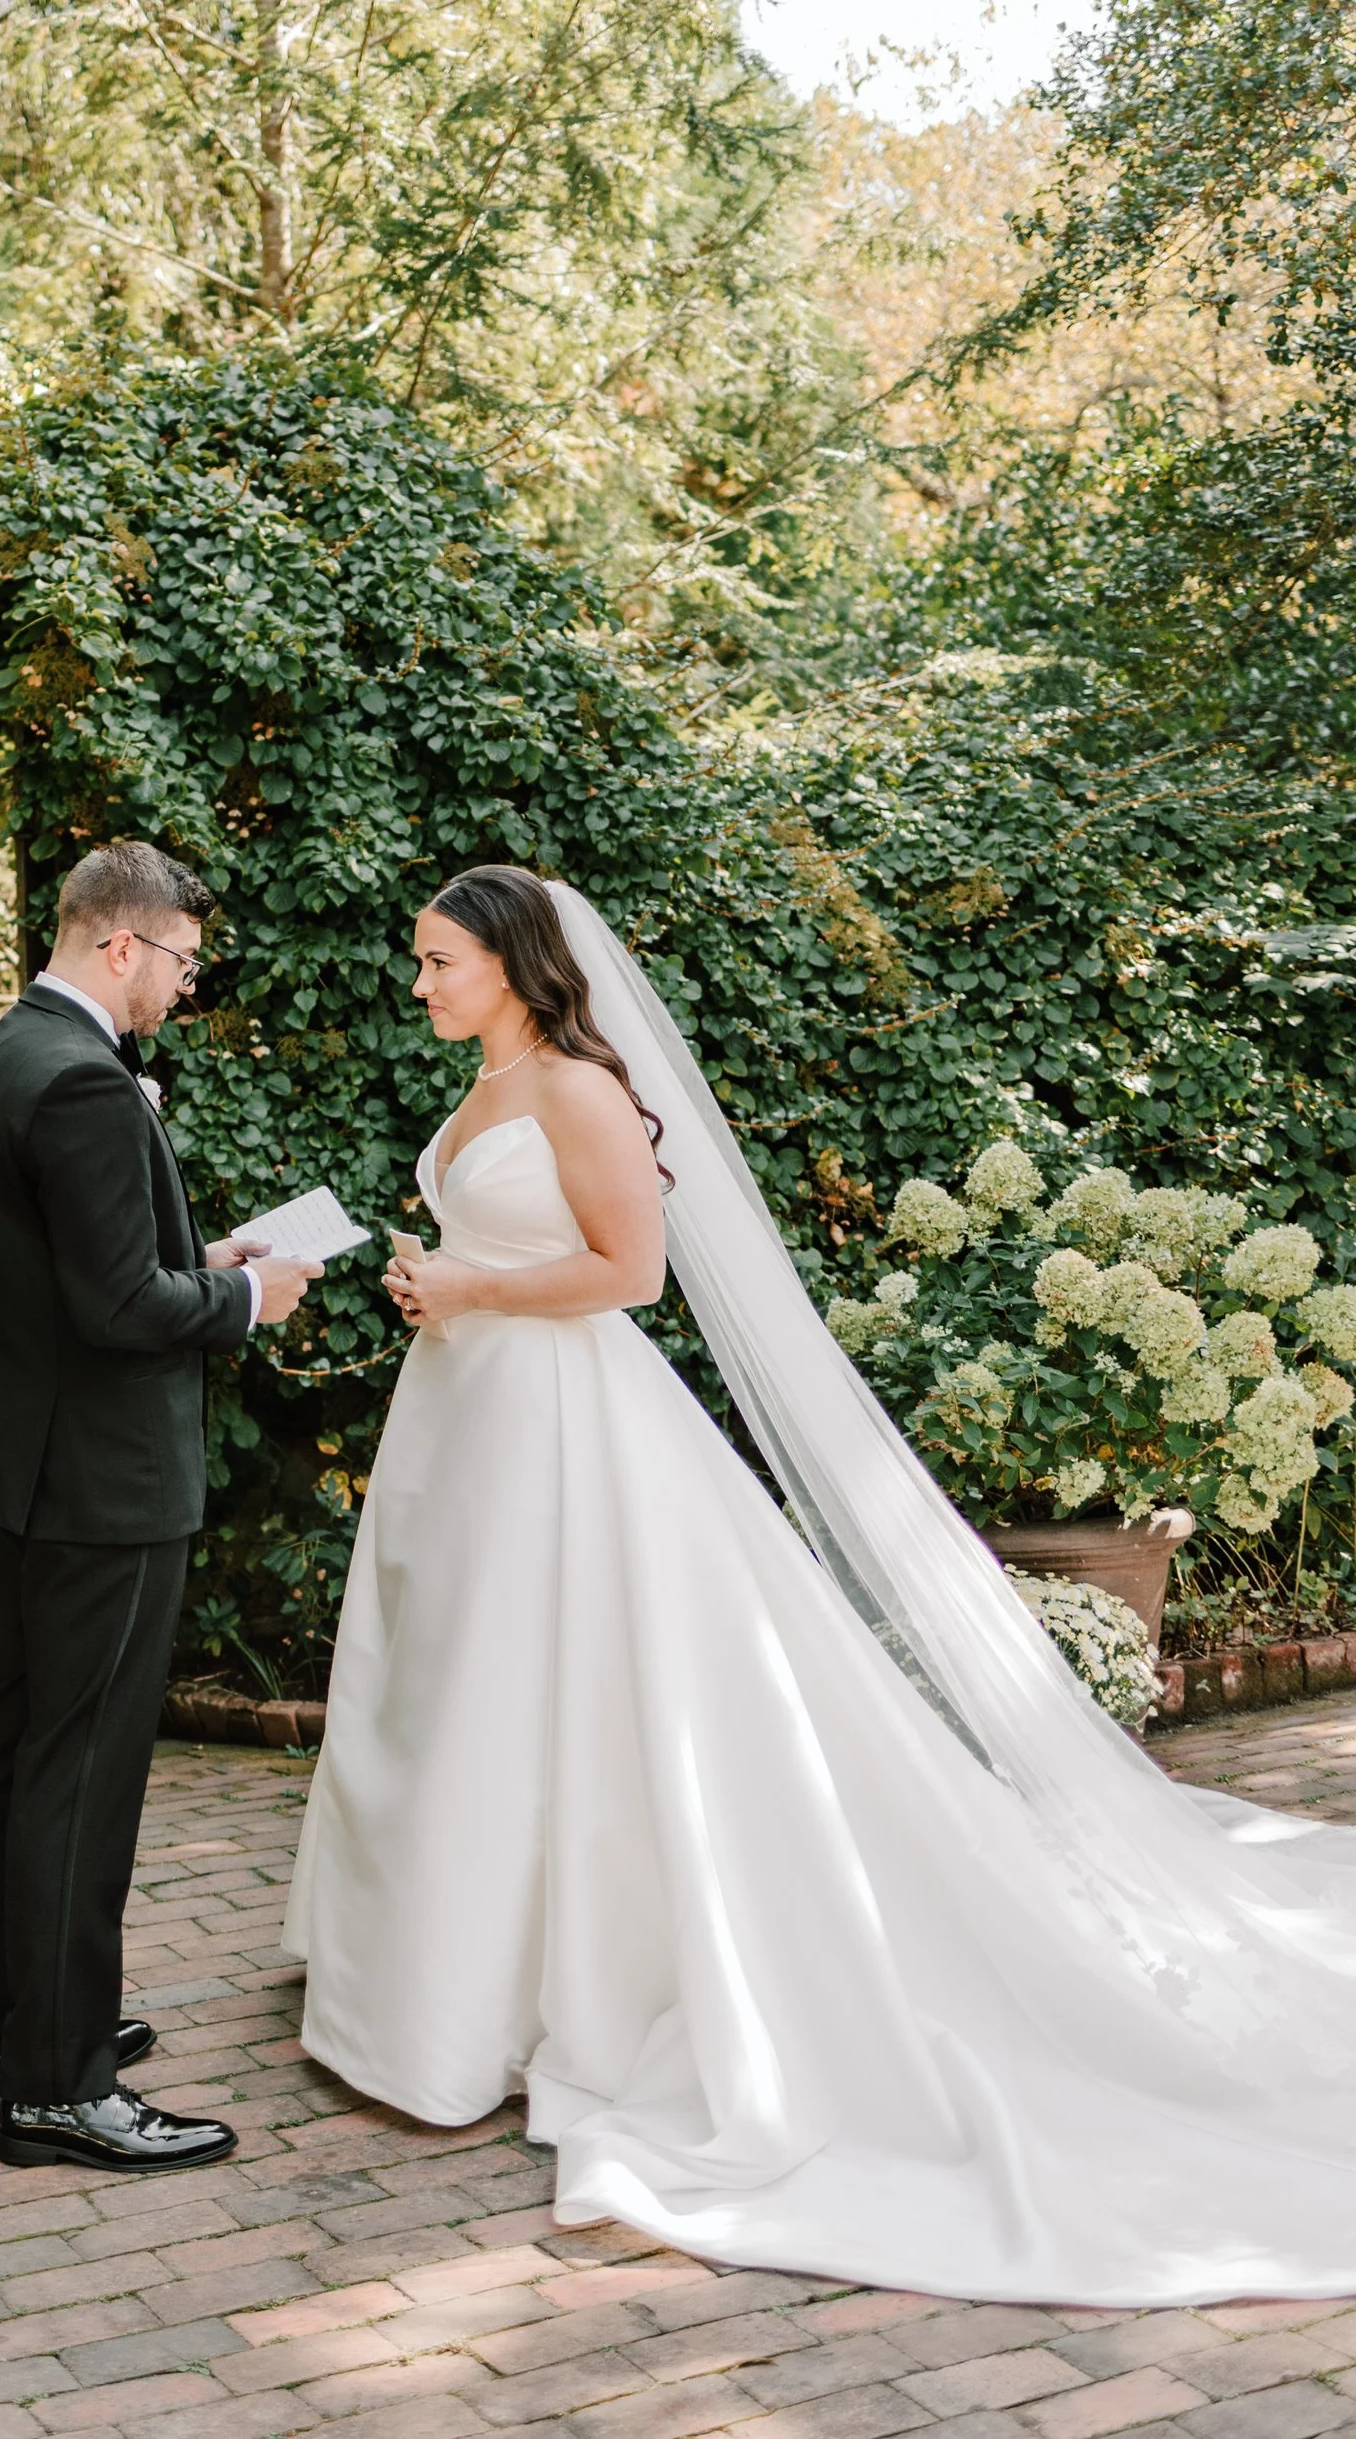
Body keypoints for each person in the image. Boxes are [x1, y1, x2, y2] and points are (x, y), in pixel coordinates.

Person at [286, 862, 1356, 2305]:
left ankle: (553, 1995)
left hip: (565, 1428)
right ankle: (443, 1985)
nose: (419, 984)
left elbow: (634, 1271)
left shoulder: (581, 1090)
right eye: (419, 961)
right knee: (463, 1689)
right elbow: (509, 1247)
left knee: (559, 1692)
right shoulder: (483, 1085)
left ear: (517, 966)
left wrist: (475, 1289)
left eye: (438, 962)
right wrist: (444, 1281)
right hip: (465, 1423)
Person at [0, 840, 320, 2174]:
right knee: (82, 1768)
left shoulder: (13, 1056)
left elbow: (76, 1270)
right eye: (178, 961)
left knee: (15, 1746)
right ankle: (60, 2087)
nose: (184, 984)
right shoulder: (91, 1085)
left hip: (40, 1465)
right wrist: (244, 1299)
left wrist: (197, 1253)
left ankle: (8, 2023)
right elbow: (119, 1314)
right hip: (106, 1478)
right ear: (122, 945)